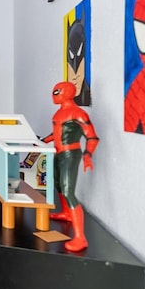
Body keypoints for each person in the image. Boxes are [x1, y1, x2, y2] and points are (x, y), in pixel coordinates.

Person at [42, 81, 99, 251]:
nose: (54, 94)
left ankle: (80, 237)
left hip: (70, 154)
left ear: (68, 92)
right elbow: (56, 133)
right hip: (57, 153)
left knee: (68, 190)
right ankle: (67, 213)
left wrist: (87, 155)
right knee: (58, 185)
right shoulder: (59, 114)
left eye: (57, 91)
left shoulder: (78, 113)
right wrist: (42, 141)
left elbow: (92, 137)